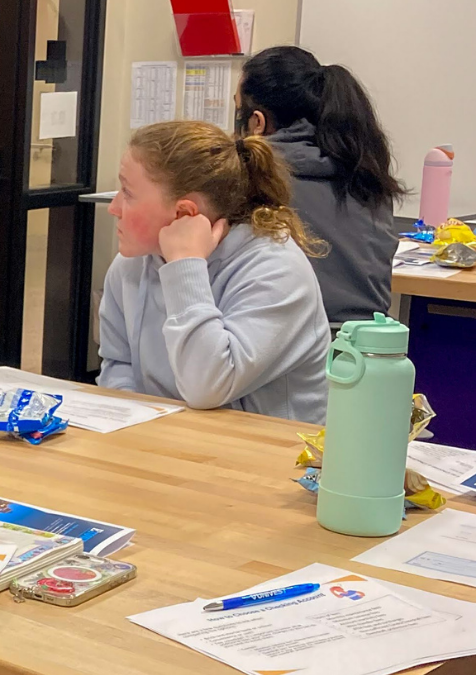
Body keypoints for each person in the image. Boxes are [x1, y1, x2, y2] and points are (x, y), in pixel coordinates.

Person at [98, 120, 331, 424]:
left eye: (127, 193)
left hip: (270, 458)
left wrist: (185, 265)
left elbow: (207, 386)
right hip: (171, 447)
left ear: (184, 214)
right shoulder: (131, 265)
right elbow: (118, 366)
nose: (113, 207)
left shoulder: (276, 269)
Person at [236, 45, 407, 325]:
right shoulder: (366, 171)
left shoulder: (252, 177)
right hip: (369, 351)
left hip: (291, 352)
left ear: (257, 123)